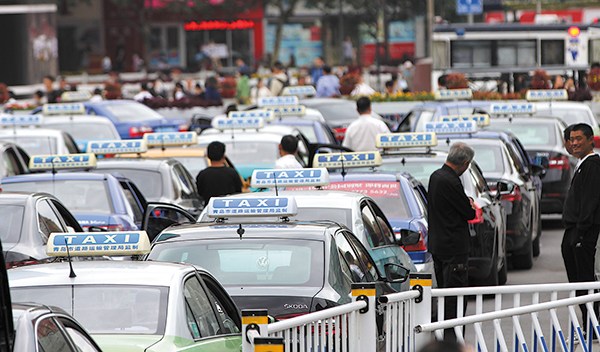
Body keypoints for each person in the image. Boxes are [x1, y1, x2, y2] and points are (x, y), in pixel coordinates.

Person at [427, 142, 476, 342]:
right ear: (464, 163)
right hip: (454, 248)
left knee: (446, 294)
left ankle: (448, 338)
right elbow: (468, 212)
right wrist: (470, 204)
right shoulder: (452, 181)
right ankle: (453, 341)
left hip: (438, 246)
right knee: (455, 298)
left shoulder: (435, 176)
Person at [562, 123, 600, 334]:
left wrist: (581, 234)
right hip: (574, 232)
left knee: (585, 283)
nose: (574, 143)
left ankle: (592, 326)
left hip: (582, 234)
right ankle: (589, 325)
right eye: (572, 139)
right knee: (578, 284)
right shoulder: (583, 164)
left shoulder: (593, 166)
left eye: (579, 139)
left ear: (590, 140)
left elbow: (590, 201)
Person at [195, 141, 242, 205]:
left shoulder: (202, 175)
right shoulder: (232, 173)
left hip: (209, 210)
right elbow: (238, 192)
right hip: (229, 209)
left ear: (208, 156)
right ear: (223, 155)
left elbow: (200, 193)